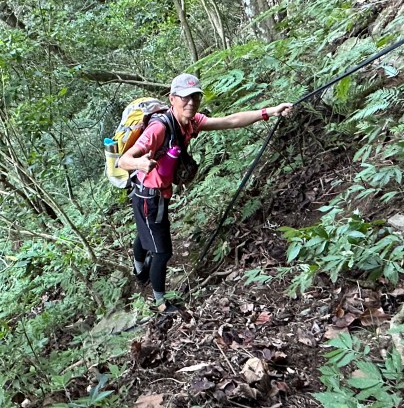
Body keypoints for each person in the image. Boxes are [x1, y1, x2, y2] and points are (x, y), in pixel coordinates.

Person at [117, 73, 294, 314]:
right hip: (149, 195)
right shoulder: (158, 128)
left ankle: (139, 271)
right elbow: (124, 160)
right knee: (162, 251)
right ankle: (159, 303)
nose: (191, 102)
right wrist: (140, 163)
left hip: (157, 192)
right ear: (172, 98)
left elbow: (230, 121)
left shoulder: (191, 122)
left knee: (145, 230)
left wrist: (270, 111)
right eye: (185, 98)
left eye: (195, 97)